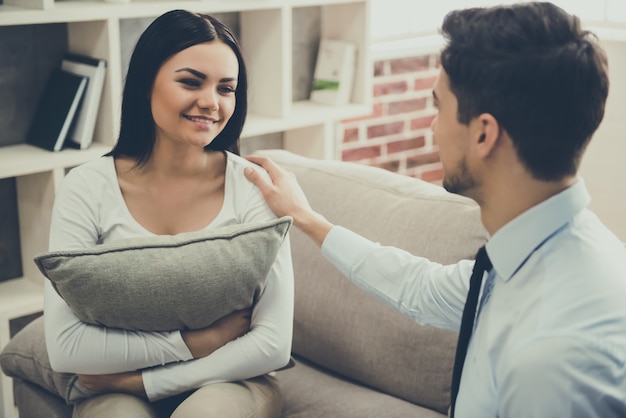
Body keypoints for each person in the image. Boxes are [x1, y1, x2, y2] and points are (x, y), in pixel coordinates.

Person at [244, 2, 626, 417]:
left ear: (484, 134)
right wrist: (307, 219)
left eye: (439, 107)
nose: (432, 127)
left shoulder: (554, 357)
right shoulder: (528, 253)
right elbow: (421, 288)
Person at [44, 10, 293, 418]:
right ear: (146, 84)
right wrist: (195, 342)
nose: (211, 102)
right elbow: (66, 346)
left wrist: (147, 382)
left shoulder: (253, 187)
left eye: (226, 88)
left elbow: (273, 341)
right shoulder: (86, 187)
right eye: (191, 82)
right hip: (112, 388)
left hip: (231, 381)